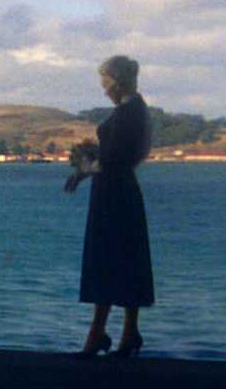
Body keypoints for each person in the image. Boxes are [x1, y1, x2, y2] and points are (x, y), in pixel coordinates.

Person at [64, 54, 155, 358]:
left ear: (117, 82)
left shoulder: (130, 113)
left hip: (115, 194)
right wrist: (87, 166)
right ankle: (125, 333)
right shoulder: (133, 110)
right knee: (125, 260)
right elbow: (116, 156)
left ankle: (100, 334)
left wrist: (84, 168)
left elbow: (114, 160)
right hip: (117, 192)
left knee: (106, 260)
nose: (104, 90)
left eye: (106, 83)